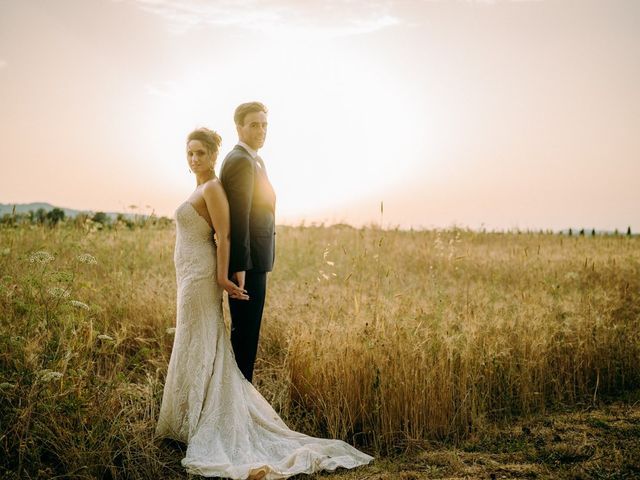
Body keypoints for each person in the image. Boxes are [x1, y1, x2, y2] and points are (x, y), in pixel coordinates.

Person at [156, 127, 373, 479]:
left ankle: (205, 420)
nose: (194, 158)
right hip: (188, 275)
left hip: (201, 278)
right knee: (192, 340)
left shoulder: (212, 188)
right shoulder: (199, 187)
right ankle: (187, 418)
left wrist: (224, 276)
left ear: (214, 156)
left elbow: (224, 233)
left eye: (201, 153)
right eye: (190, 152)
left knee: (202, 339)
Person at [220, 101, 275, 384]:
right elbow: (239, 216)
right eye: (254, 124)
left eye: (264, 124)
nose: (261, 130)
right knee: (244, 336)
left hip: (255, 260)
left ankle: (241, 400)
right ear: (239, 127)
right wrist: (239, 266)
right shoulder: (241, 160)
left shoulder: (253, 159)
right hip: (247, 265)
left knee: (248, 335)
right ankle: (239, 405)